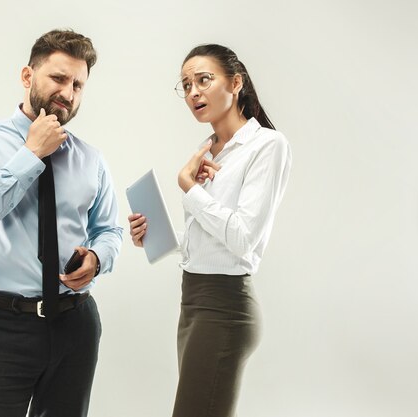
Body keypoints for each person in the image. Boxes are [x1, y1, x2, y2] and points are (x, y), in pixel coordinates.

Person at [0, 29, 123, 417]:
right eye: (59, 78)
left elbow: (109, 229)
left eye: (78, 84)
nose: (69, 92)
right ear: (28, 77)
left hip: (75, 325)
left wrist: (97, 257)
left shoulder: (90, 158)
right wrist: (31, 153)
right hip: (3, 328)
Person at [128, 44, 292, 417]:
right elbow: (209, 242)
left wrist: (190, 188)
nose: (193, 93)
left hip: (226, 306)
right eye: (186, 85)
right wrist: (158, 237)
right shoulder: (207, 150)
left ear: (236, 83)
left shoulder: (267, 145)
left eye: (204, 80)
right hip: (194, 301)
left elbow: (243, 238)